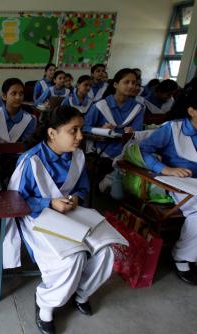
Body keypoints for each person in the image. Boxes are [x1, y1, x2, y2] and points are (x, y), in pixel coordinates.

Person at [4, 106, 114, 334]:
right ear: (52, 133)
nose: (80, 137)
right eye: (73, 130)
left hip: (71, 215)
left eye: (81, 129)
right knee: (72, 257)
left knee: (106, 250)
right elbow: (15, 201)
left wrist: (76, 198)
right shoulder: (31, 160)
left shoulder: (78, 156)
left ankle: (81, 292)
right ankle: (45, 304)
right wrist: (48, 203)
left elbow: (82, 188)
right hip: (36, 218)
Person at [139, 82, 197, 285]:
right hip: (178, 183)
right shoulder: (173, 129)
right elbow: (143, 150)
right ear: (192, 110)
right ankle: (182, 256)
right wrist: (166, 169)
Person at [83, 68, 145, 191]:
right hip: (103, 147)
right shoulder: (101, 105)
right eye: (126, 82)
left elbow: (138, 132)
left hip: (126, 148)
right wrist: (100, 129)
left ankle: (113, 184)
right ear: (116, 84)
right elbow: (85, 127)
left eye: (134, 83)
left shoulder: (138, 108)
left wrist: (132, 131)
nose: (131, 86)